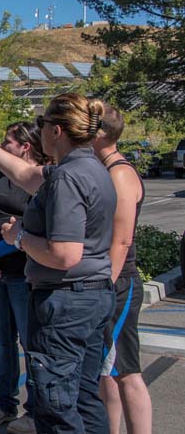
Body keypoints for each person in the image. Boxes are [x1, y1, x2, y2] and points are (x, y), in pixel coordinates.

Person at [0, 93, 117, 433]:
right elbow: (26, 175)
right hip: (92, 297)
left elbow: (65, 254)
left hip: (66, 301)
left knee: (55, 404)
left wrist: (19, 237)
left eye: (42, 125)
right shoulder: (91, 168)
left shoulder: (68, 178)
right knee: (85, 399)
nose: (39, 132)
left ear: (56, 131)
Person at [0, 123, 44, 434]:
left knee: (31, 344)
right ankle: (3, 403)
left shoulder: (37, 178)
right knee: (3, 342)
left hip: (22, 274)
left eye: (7, 142)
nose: (2, 146)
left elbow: (30, 228)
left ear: (25, 146)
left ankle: (35, 410)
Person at [95, 106, 152, 434]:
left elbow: (122, 241)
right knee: (108, 371)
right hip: (109, 283)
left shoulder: (118, 173)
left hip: (118, 285)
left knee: (127, 372)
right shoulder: (105, 169)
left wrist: (105, 287)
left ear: (100, 135)